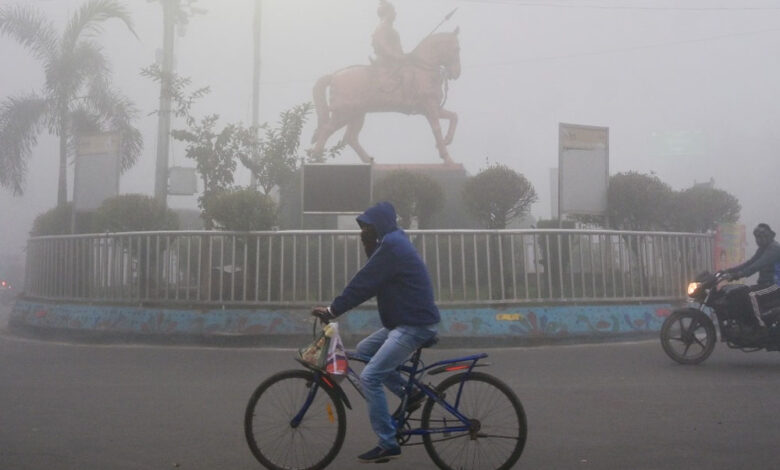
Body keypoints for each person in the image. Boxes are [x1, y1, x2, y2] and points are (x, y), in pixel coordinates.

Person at [312, 201, 440, 463]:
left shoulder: (392, 246)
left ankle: (387, 442)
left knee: (370, 377)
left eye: (368, 227)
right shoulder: (392, 242)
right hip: (405, 321)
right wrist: (371, 247)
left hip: (414, 325)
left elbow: (364, 283)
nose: (364, 231)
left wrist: (332, 310)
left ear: (380, 224)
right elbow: (372, 277)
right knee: (364, 350)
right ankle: (409, 393)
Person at [723, 223, 780, 335]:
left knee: (751, 295)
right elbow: (750, 263)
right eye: (757, 237)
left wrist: (738, 275)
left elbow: (757, 265)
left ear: (768, 236)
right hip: (765, 284)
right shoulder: (763, 249)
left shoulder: (774, 249)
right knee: (740, 293)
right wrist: (728, 271)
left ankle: (761, 326)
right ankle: (746, 324)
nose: (759, 240)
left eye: (762, 236)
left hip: (775, 285)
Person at [372, 0, 405, 69]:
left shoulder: (392, 30)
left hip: (396, 62)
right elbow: (385, 47)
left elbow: (398, 49)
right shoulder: (382, 28)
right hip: (387, 64)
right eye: (393, 11)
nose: (395, 13)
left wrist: (404, 56)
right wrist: (398, 56)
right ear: (387, 13)